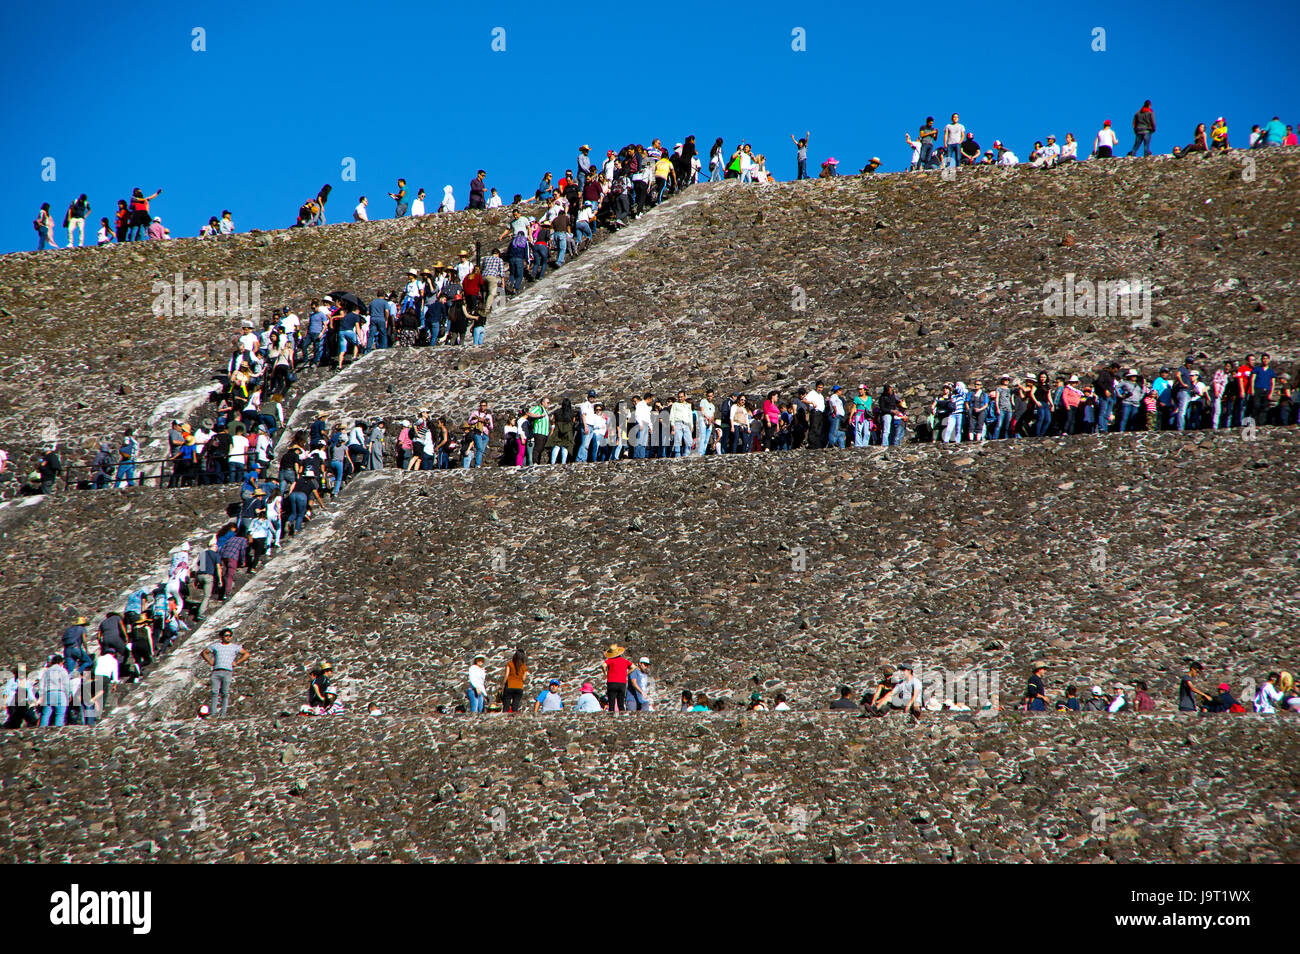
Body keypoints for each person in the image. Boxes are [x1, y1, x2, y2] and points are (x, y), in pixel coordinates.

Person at [200, 627, 249, 718]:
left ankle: (223, 714)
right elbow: (204, 653)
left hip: (227, 671)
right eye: (226, 635)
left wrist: (237, 662)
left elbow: (246, 654)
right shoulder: (216, 646)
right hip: (216, 671)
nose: (228, 637)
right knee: (214, 692)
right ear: (222, 637)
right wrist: (210, 662)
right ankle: (213, 713)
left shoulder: (235, 647)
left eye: (230, 636)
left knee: (225, 693)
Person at [603, 643, 632, 714]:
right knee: (621, 703)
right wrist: (626, 673)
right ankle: (623, 716)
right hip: (622, 683)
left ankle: (611, 717)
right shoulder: (625, 661)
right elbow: (633, 667)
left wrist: (606, 673)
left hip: (612, 682)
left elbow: (603, 665)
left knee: (611, 703)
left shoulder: (610, 660)